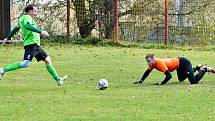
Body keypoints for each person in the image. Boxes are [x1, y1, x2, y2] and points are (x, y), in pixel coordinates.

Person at [0, 5, 67, 86]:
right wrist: (41, 31)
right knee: (25, 64)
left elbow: (16, 28)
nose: (36, 13)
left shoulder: (22, 18)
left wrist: (7, 38)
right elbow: (28, 26)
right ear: (30, 11)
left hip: (35, 45)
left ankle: (58, 80)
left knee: (48, 60)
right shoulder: (27, 17)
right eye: (35, 11)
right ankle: (3, 70)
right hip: (31, 44)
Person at [134, 53, 212, 85]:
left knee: (193, 82)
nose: (148, 63)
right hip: (178, 66)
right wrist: (140, 81)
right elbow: (147, 72)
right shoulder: (153, 64)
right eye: (147, 61)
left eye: (149, 61)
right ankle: (196, 68)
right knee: (181, 79)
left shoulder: (159, 63)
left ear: (153, 59)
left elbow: (169, 76)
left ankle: (205, 69)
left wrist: (161, 84)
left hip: (184, 63)